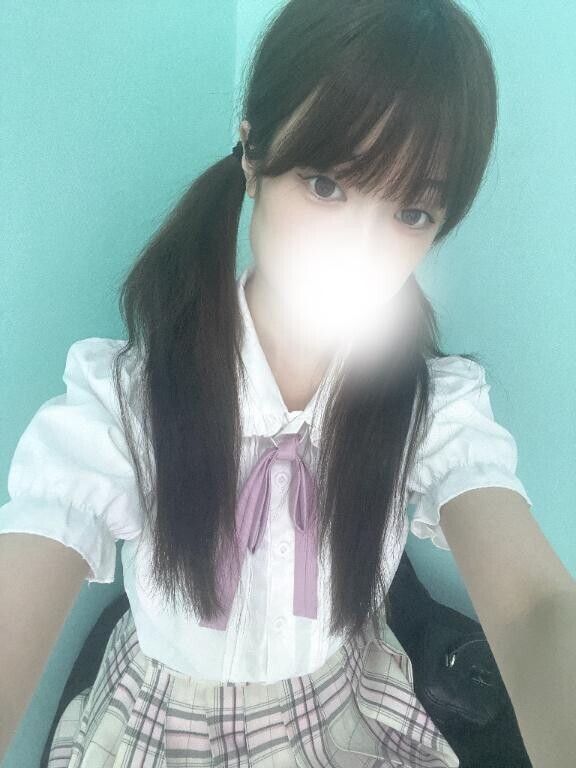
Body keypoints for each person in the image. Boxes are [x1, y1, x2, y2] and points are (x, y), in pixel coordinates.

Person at [0, 0, 537, 765]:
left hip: (341, 704)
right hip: (159, 719)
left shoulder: (429, 407)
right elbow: (35, 547)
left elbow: (534, 605)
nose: (359, 250)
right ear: (253, 155)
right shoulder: (127, 401)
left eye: (412, 212)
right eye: (325, 184)